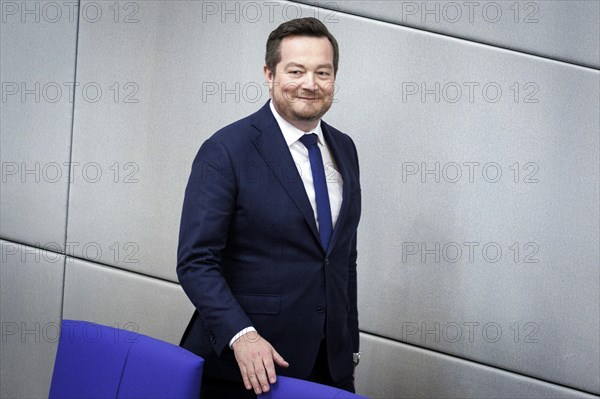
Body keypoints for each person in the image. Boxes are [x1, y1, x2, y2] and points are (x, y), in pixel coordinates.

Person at [177, 17, 361, 398]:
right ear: (269, 73)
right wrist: (241, 337)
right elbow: (196, 261)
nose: (310, 84)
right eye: (296, 70)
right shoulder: (226, 151)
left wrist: (349, 344)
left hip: (330, 368)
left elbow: (342, 258)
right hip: (248, 368)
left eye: (322, 72)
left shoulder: (345, 149)